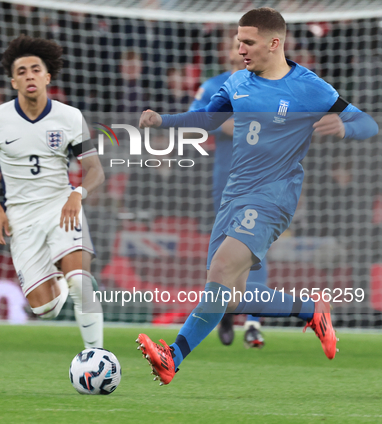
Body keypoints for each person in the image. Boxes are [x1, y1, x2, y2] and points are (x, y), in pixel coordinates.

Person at [137, 7, 378, 385]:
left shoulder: (307, 86)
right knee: (228, 298)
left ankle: (172, 357)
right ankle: (310, 309)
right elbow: (207, 119)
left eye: (247, 42)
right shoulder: (237, 82)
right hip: (234, 194)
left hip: (274, 195)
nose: (240, 49)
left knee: (220, 269)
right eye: (238, 41)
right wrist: (163, 121)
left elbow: (367, 122)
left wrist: (344, 128)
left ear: (274, 43)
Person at [0, 35, 105, 348]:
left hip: (62, 207)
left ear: (47, 77)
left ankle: (97, 355)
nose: (29, 75)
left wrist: (77, 194)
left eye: (36, 69)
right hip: (21, 218)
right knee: (44, 309)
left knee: (79, 283)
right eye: (21, 72)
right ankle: (65, 278)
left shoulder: (69, 117)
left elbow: (95, 171)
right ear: (13, 82)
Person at [190, 36, 266, 348]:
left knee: (257, 250)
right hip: (225, 180)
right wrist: (223, 125)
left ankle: (253, 321)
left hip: (262, 179)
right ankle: (225, 311)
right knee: (225, 250)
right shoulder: (213, 87)